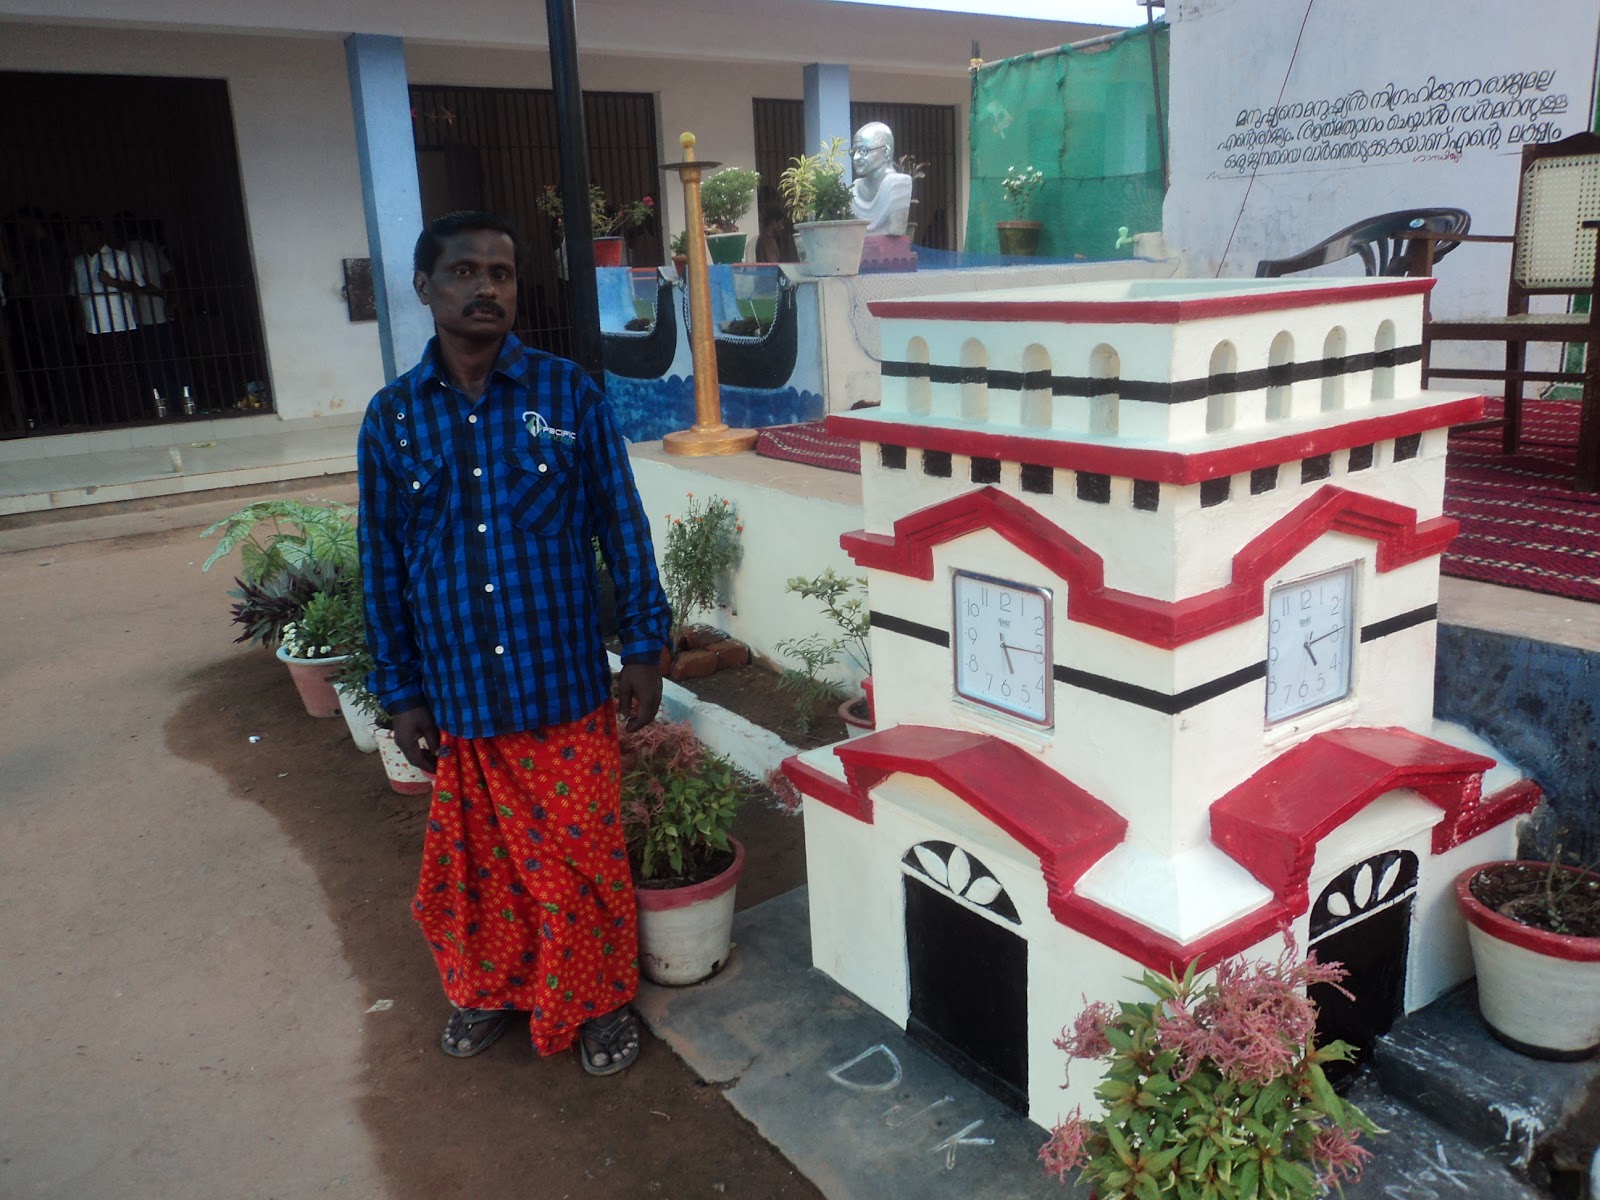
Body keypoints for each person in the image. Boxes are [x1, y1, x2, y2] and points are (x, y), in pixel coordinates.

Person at [357, 210, 671, 1075]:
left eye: (500, 272)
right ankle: (493, 986)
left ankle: (601, 1003)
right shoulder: (392, 421)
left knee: (581, 863)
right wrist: (403, 691)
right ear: (425, 287)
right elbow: (380, 561)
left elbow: (623, 525)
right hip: (460, 696)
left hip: (561, 688)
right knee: (481, 866)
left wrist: (644, 646)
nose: (484, 287)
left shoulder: (568, 395)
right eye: (463, 272)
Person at [849, 121, 913, 237]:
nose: (856, 158)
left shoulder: (899, 185)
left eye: (863, 151)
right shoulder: (854, 189)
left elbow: (895, 228)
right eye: (853, 152)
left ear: (886, 152)